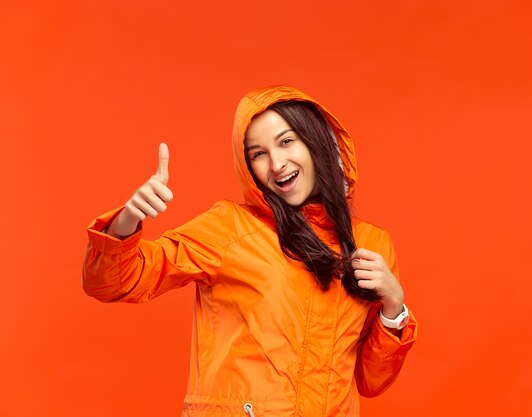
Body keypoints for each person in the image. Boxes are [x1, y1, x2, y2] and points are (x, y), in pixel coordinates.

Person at [82, 85, 418, 417]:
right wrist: (128, 219)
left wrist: (394, 307)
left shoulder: (371, 245)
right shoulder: (230, 228)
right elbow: (113, 282)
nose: (276, 163)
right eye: (258, 153)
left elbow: (370, 380)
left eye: (287, 141)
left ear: (316, 142)